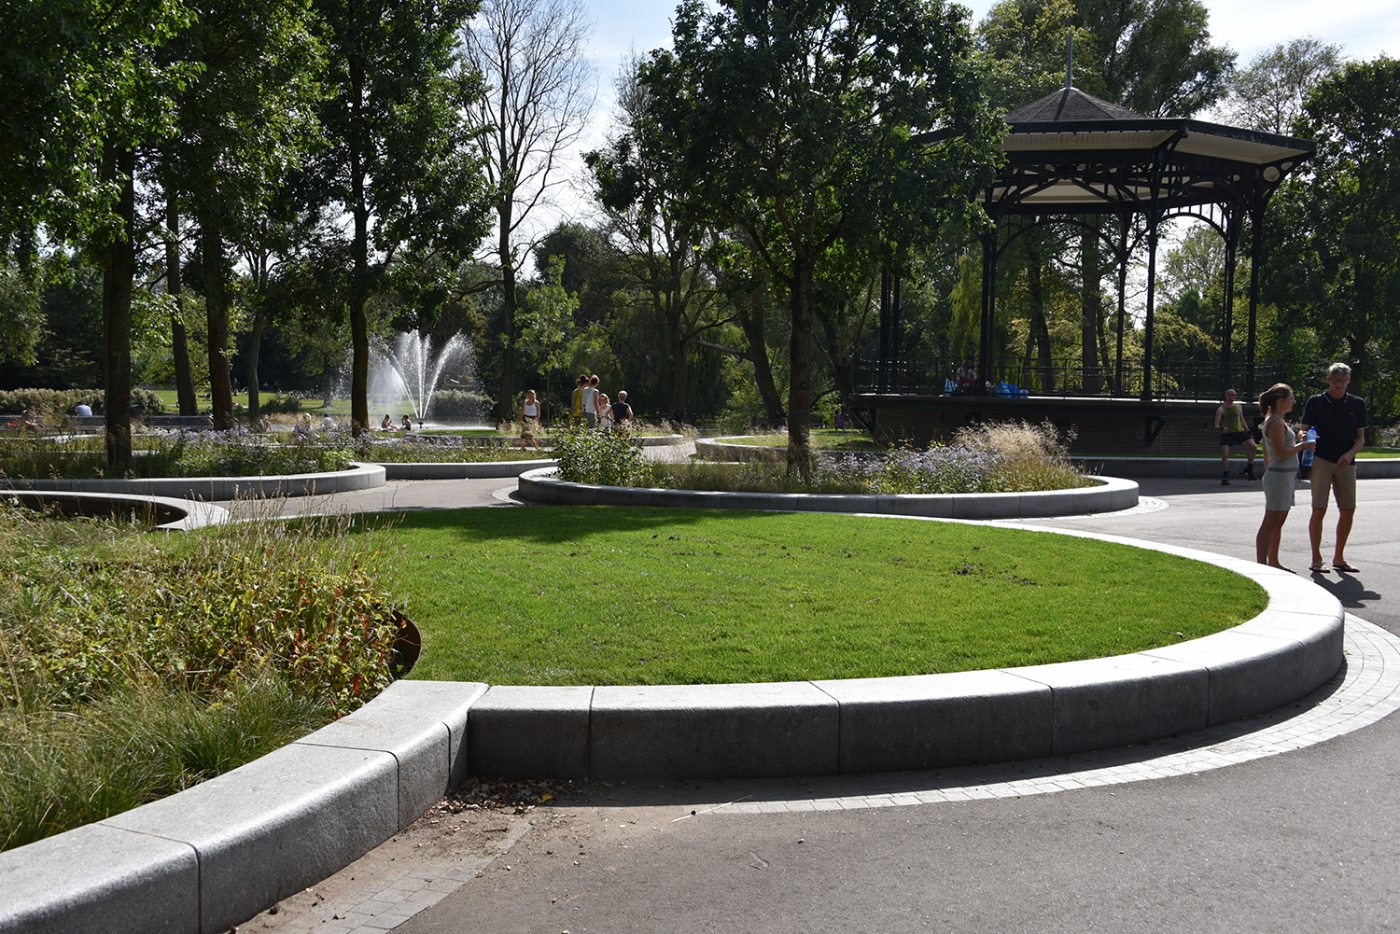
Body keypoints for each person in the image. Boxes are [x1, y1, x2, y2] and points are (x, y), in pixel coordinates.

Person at [1300, 362, 1368, 574]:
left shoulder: (1357, 403)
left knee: (1348, 509)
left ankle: (1339, 557)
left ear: (1348, 381)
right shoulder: (1316, 401)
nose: (1338, 384)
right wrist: (1305, 438)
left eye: (1343, 380)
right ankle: (1317, 559)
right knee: (1319, 508)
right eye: (1335, 380)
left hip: (1346, 462)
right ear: (1328, 380)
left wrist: (1350, 454)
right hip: (1321, 459)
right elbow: (1303, 431)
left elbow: (1360, 438)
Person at [1255, 384, 1313, 573]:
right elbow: (1279, 453)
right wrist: (1302, 446)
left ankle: (1274, 562)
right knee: (1270, 521)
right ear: (1281, 400)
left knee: (1278, 521)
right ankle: (1262, 565)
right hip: (1279, 477)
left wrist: (1297, 439)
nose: (1294, 402)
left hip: (1284, 477)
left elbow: (1272, 450)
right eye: (1291, 398)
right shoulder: (1275, 422)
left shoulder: (1276, 420)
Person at [1215, 388, 1258, 484]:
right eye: (1233, 395)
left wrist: (1248, 432)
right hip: (1227, 433)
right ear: (1227, 396)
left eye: (1235, 395)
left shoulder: (1239, 407)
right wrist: (1221, 428)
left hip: (1239, 432)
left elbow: (1242, 420)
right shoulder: (1221, 409)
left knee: (1254, 447)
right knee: (1225, 454)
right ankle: (1226, 474)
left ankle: (1249, 468)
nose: (1235, 397)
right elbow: (1216, 424)